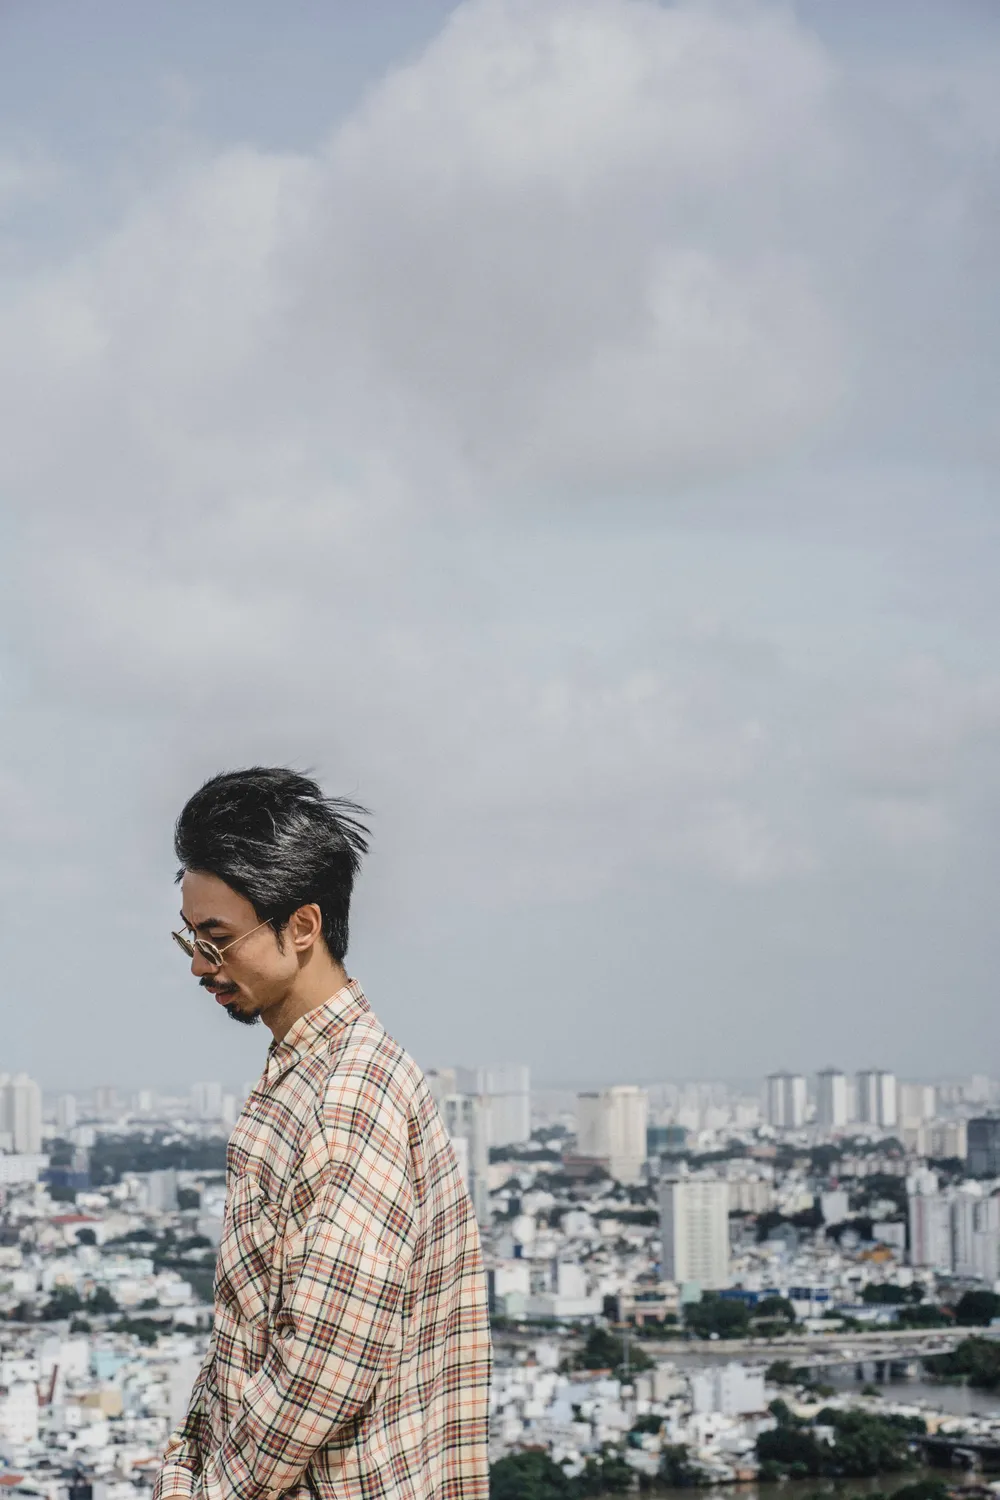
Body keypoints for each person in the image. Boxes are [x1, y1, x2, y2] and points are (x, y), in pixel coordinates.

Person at [153, 768, 490, 1500]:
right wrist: (188, 1456)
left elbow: (325, 1367)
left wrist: (210, 1490)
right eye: (191, 937)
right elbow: (251, 1332)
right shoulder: (307, 1074)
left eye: (218, 940)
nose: (199, 965)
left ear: (302, 927)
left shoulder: (349, 1094)